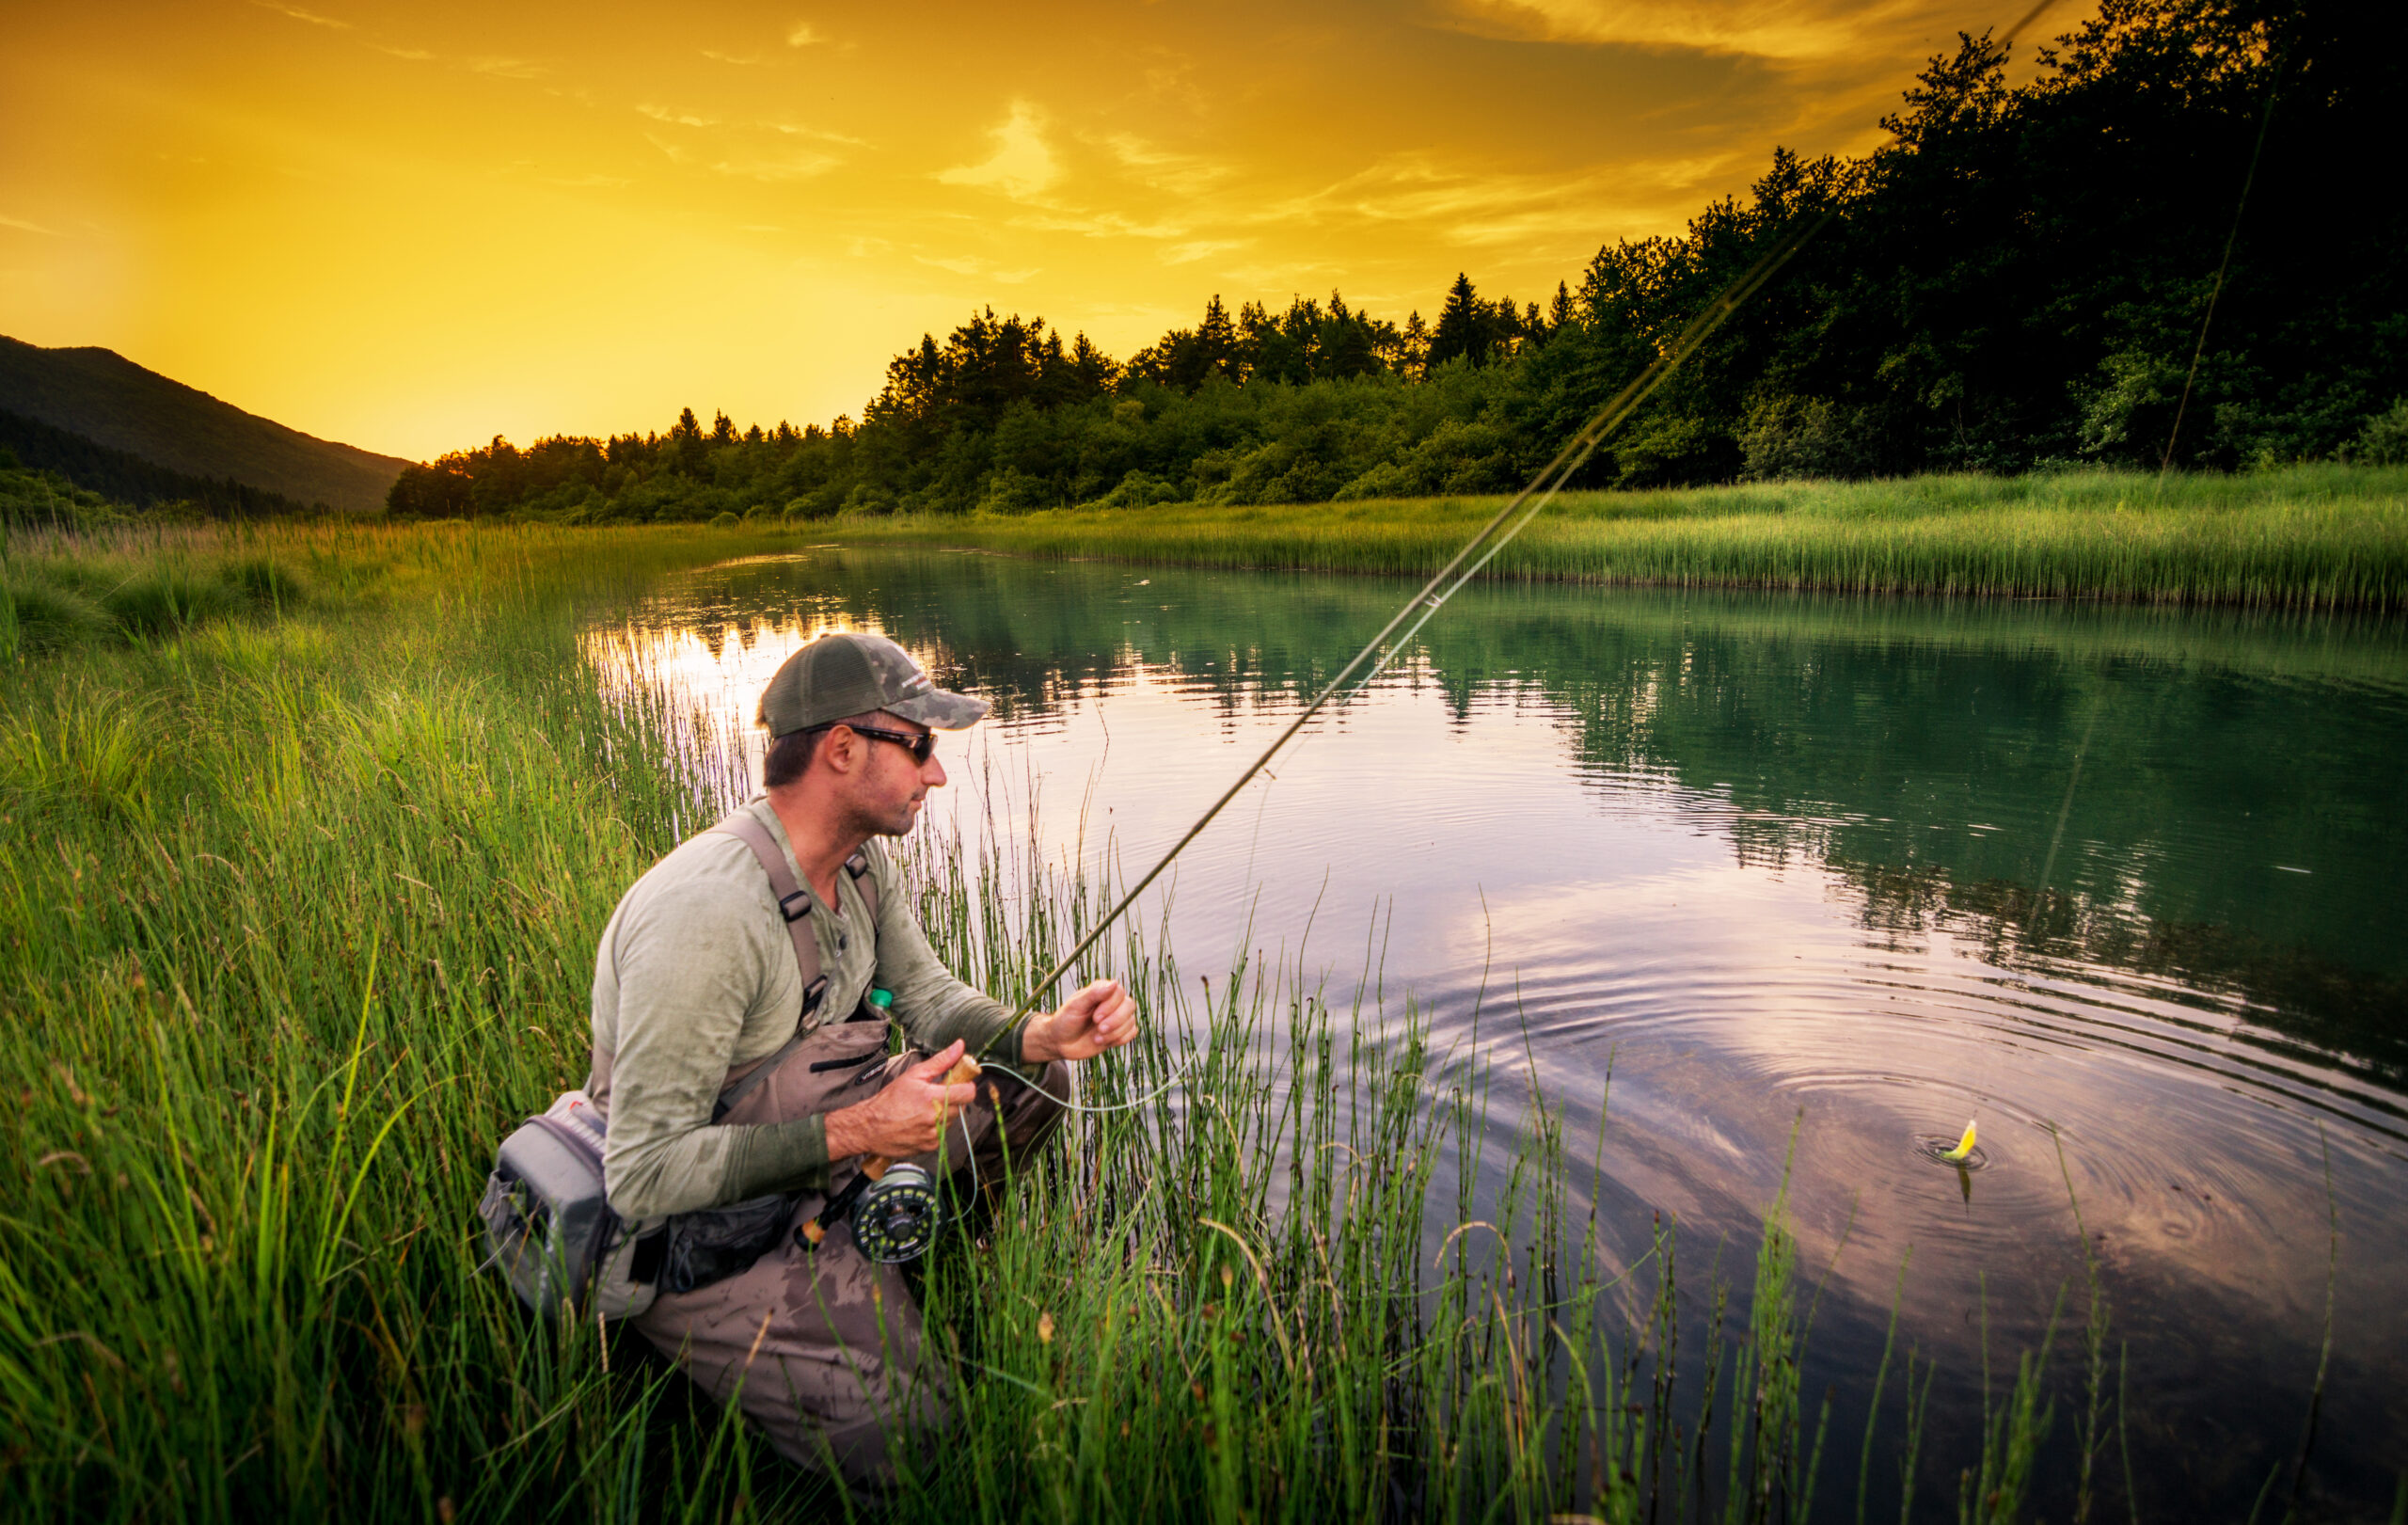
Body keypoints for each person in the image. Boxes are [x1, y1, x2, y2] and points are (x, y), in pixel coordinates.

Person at [585, 629, 1140, 1485]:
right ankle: (802, 1317)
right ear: (843, 749)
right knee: (927, 1451)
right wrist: (861, 1128)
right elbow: (644, 1174)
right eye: (919, 745)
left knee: (1032, 1083)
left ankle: (894, 1257)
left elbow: (927, 997)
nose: (937, 773)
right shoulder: (707, 916)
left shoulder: (859, 863)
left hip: (815, 1157)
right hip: (704, 1239)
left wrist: (1039, 1034)